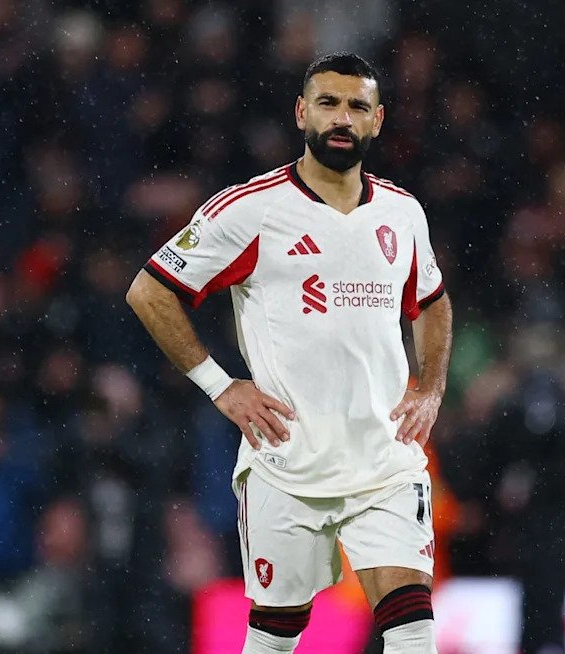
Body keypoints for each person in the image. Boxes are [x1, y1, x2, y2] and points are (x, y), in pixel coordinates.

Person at [126, 53, 452, 654]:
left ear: (377, 121)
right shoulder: (250, 209)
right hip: (287, 461)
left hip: (384, 461)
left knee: (413, 635)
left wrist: (430, 387)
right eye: (328, 103)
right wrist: (221, 386)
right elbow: (150, 291)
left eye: (357, 107)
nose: (342, 119)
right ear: (301, 112)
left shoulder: (403, 213)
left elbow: (432, 302)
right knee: (277, 637)